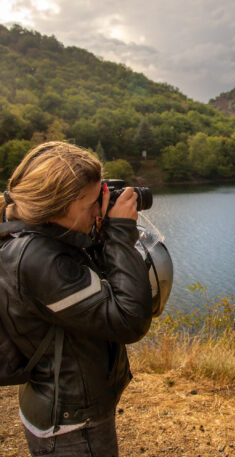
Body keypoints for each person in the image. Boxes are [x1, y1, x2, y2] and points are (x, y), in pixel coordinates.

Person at [0, 141, 153, 457]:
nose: (100, 209)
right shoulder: (39, 258)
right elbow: (128, 320)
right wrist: (121, 232)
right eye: (91, 204)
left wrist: (98, 230)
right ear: (56, 207)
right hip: (71, 425)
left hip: (63, 401)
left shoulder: (38, 234)